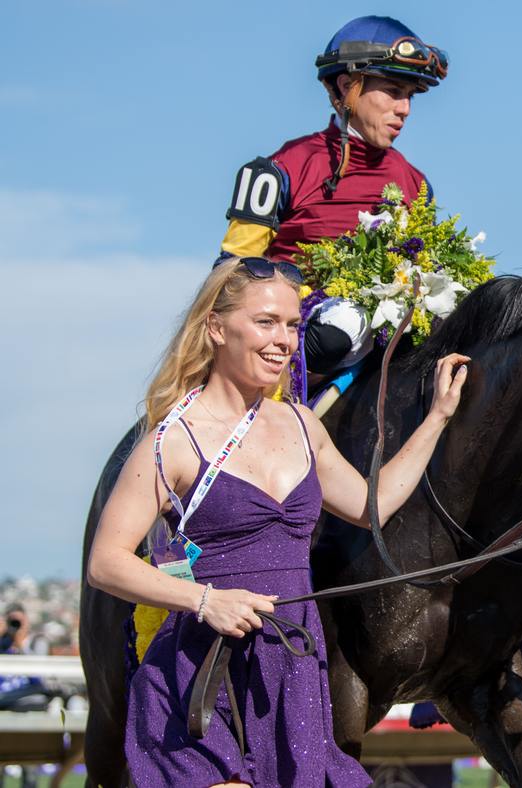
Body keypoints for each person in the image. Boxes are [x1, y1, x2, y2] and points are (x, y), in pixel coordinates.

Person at [87, 256, 469, 787]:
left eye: (291, 325)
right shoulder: (173, 438)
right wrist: (206, 600)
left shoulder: (302, 423)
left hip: (291, 673)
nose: (283, 341)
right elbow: (106, 563)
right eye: (265, 322)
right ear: (216, 327)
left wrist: (438, 418)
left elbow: (372, 506)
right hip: (202, 675)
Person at [219, 15, 448, 382]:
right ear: (346, 86)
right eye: (393, 91)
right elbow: (231, 274)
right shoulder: (282, 168)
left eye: (410, 95)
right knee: (343, 326)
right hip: (294, 337)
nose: (404, 108)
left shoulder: (416, 184)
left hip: (388, 338)